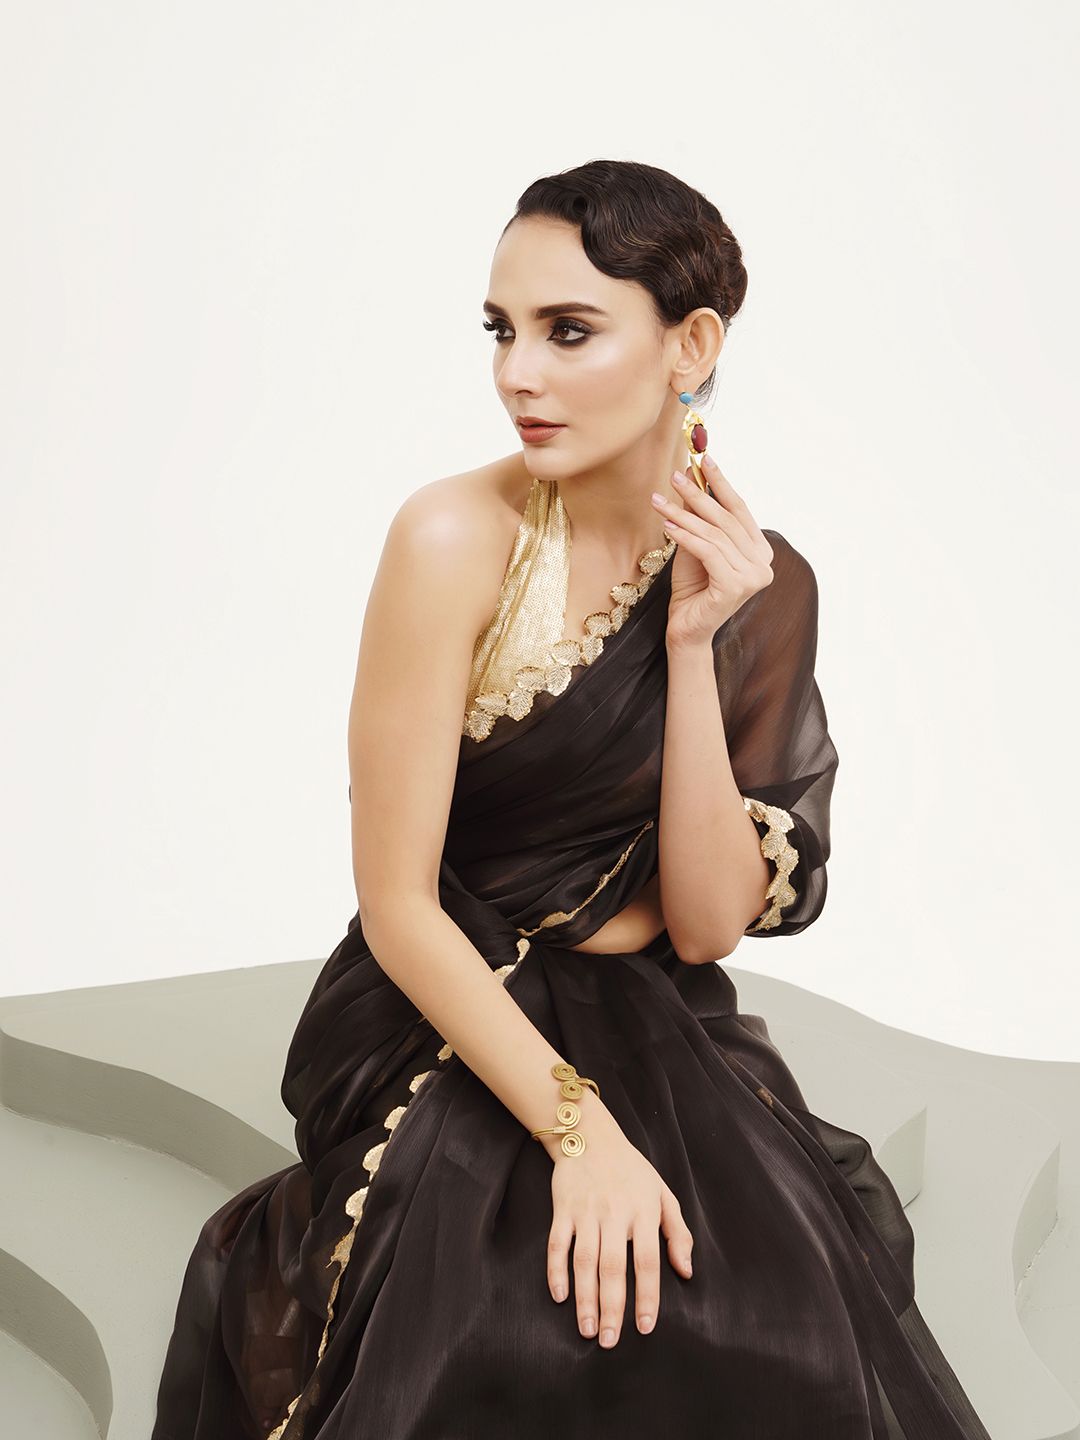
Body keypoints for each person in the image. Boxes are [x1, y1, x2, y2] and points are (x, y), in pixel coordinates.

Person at [152, 160, 992, 1439]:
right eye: (501, 330)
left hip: (650, 1009)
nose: (517, 375)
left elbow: (705, 924)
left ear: (690, 346)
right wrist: (579, 1134)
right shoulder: (451, 538)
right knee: (496, 1320)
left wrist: (695, 643)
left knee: (760, 1312)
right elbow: (396, 903)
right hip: (437, 1001)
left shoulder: (762, 583)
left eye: (569, 331)